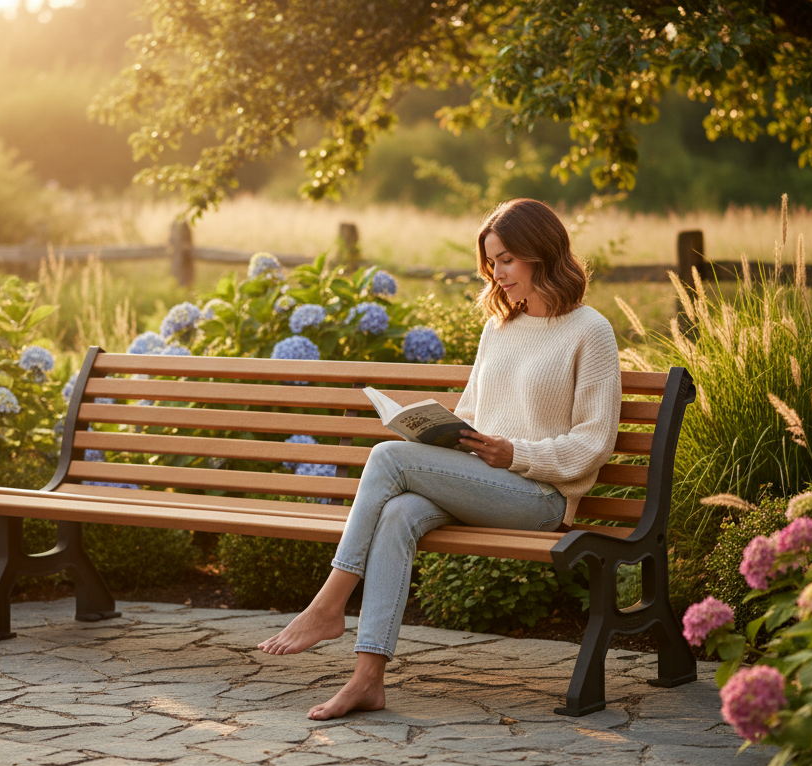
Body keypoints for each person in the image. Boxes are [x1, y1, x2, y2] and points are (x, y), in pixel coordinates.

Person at [257, 198, 624, 720]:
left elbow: (593, 443)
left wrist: (516, 453)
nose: (497, 276)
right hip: (485, 483)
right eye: (491, 264)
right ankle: (367, 679)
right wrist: (443, 436)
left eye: (506, 261)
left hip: (541, 498)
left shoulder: (591, 331)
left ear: (541, 254)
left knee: (387, 458)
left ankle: (327, 606)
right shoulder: (500, 329)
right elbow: (472, 413)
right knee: (398, 512)